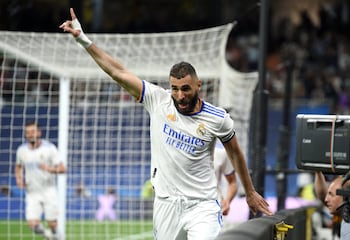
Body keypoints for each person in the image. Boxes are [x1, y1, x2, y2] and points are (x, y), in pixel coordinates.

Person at [60, 8, 272, 239]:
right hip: (166, 204)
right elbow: (117, 71)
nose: (180, 95)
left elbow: (236, 153)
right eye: (175, 88)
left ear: (198, 85)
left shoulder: (217, 118)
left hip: (203, 205)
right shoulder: (157, 100)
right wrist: (83, 39)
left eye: (186, 89)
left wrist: (249, 192)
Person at [15, 121, 66, 240]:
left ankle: (55, 235)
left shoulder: (50, 148)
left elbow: (63, 169)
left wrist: (48, 168)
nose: (30, 134)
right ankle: (48, 236)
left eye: (33, 131)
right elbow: (18, 166)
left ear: (39, 132)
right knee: (32, 224)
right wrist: (19, 179)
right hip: (32, 192)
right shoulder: (22, 150)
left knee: (52, 223)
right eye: (27, 132)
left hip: (49, 191)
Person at [314, 172, 350, 240]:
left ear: (345, 197)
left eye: (331, 194)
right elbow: (322, 195)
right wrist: (318, 172)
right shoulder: (347, 215)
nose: (326, 199)